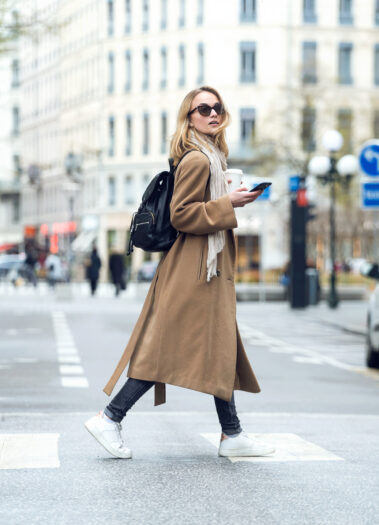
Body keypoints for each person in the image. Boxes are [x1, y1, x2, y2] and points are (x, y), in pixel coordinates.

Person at [85, 86, 274, 459]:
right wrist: (227, 203)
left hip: (205, 266)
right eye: (203, 109)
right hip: (192, 268)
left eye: (217, 108)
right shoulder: (197, 160)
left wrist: (232, 199)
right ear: (189, 117)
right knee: (166, 348)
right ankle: (110, 418)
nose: (213, 114)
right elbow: (182, 214)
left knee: (219, 346)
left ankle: (232, 433)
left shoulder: (213, 157)